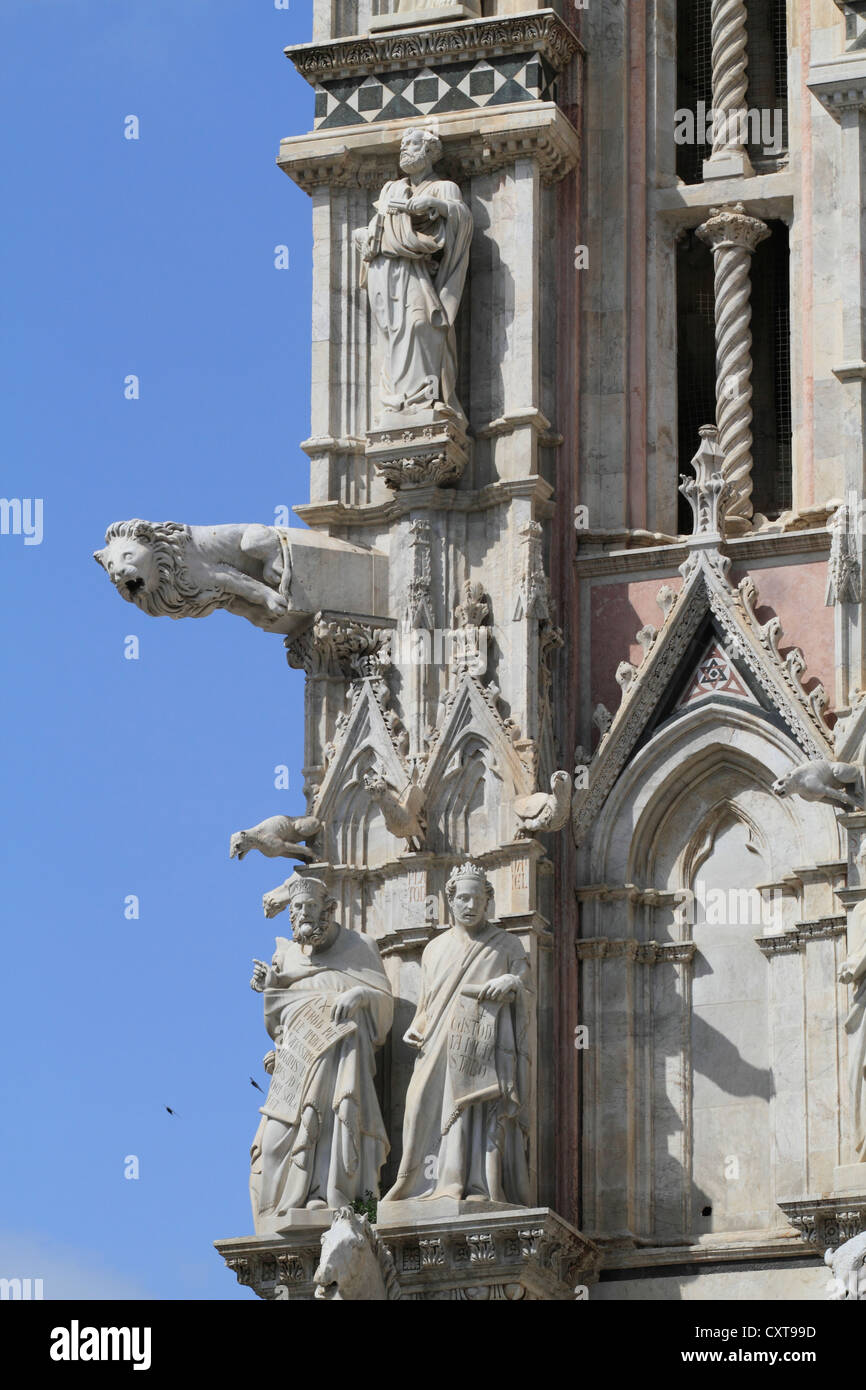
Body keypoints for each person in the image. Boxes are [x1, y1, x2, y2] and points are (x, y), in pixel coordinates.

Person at [248, 874, 393, 1231]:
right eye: (297, 908)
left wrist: (361, 996)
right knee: (271, 1145)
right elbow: (277, 1018)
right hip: (295, 1062)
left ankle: (342, 1203)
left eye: (310, 906)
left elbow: (385, 1007)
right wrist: (269, 988)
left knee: (333, 1123)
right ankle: (282, 1207)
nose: (303, 913)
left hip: (342, 1060)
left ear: (328, 910)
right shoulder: (287, 955)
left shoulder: (359, 947)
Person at [384, 861, 531, 1206]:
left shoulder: (506, 945)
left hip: (484, 1043)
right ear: (450, 901)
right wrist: (418, 1027)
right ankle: (427, 1182)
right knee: (420, 1103)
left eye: (476, 898)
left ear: (487, 901)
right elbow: (428, 1001)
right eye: (462, 898)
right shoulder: (434, 948)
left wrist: (512, 983)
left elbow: (526, 985)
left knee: (475, 1108)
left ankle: (475, 1185)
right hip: (438, 1041)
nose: (469, 905)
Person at [354, 126, 473, 421]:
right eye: (403, 144)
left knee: (422, 325)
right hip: (389, 271)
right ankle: (400, 401)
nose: (405, 148)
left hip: (421, 272)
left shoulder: (443, 187)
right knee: (393, 335)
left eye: (413, 143)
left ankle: (428, 397)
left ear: (430, 151)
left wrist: (434, 205)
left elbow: (462, 221)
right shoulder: (391, 189)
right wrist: (366, 236)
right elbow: (379, 226)